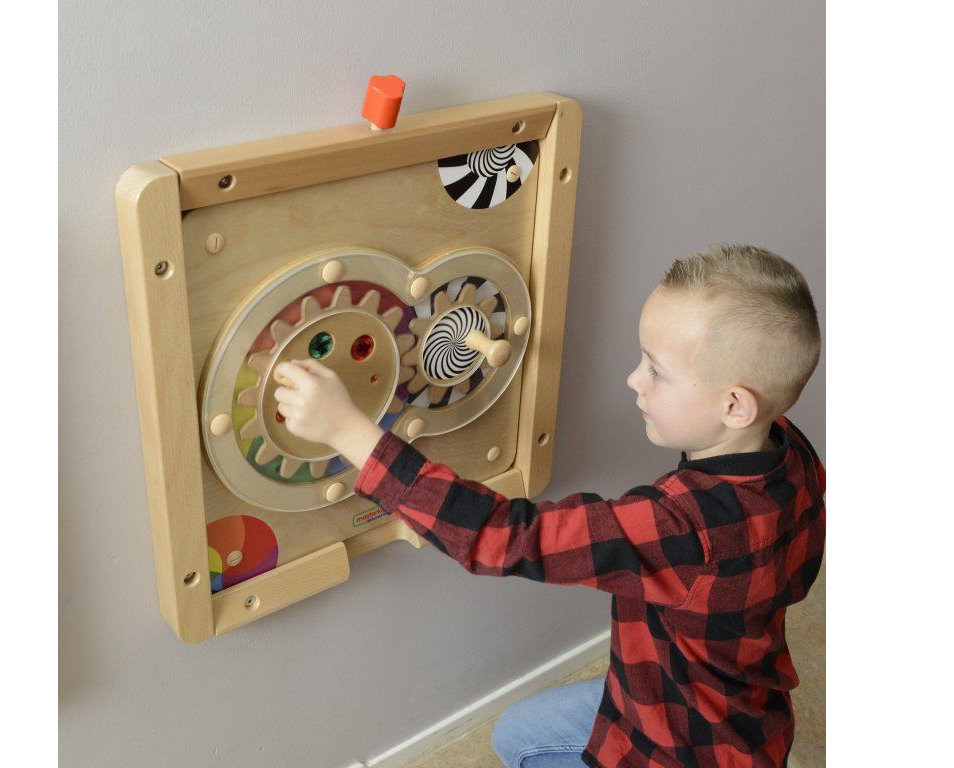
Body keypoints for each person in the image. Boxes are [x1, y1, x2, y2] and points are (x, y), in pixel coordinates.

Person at [272, 244, 825, 768]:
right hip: (742, 717)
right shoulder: (788, 449)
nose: (633, 380)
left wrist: (347, 432)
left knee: (519, 744)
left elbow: (504, 537)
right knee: (517, 734)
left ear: (735, 406)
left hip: (681, 751)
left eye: (656, 371)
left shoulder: (682, 527)